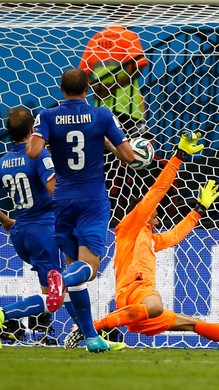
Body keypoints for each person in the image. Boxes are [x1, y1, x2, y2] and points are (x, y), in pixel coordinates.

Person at [64, 132, 219, 350]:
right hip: (134, 292)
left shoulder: (150, 239)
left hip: (140, 306)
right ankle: (89, 328)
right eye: (155, 214)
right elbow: (158, 190)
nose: (158, 218)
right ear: (142, 211)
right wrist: (179, 156)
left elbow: (176, 236)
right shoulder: (130, 227)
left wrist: (199, 210)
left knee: (192, 323)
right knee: (156, 306)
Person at [26, 68, 135, 353]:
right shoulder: (101, 115)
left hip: (62, 200)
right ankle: (60, 281)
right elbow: (127, 156)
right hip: (92, 199)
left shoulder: (47, 116)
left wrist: (49, 135)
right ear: (88, 88)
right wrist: (112, 145)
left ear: (61, 89)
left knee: (73, 267)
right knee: (87, 271)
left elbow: (33, 152)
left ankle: (90, 337)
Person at [0, 107, 62, 346]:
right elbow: (54, 191)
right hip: (42, 229)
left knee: (50, 285)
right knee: (57, 291)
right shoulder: (38, 155)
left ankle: (33, 327)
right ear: (32, 129)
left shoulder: (4, 161)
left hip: (19, 232)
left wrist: (6, 222)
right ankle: (11, 317)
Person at [78, 25, 148, 138]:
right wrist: (111, 87)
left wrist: (97, 87)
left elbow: (83, 72)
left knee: (106, 149)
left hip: (102, 106)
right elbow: (138, 68)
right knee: (129, 147)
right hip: (127, 104)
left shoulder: (96, 38)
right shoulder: (128, 36)